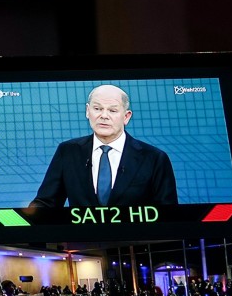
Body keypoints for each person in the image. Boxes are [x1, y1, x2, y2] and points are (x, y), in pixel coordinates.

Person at [29, 84, 178, 208]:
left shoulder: (154, 158)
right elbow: (46, 203)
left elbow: (169, 214)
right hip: (82, 236)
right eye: (97, 109)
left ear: (126, 116)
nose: (104, 116)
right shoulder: (68, 151)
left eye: (112, 110)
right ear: (88, 111)